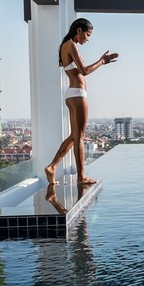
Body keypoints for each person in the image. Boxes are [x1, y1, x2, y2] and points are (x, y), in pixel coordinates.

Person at [44, 18, 118, 185]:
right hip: (77, 94)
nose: (88, 38)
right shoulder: (70, 45)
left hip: (73, 94)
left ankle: (52, 166)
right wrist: (102, 61)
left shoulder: (67, 45)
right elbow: (84, 71)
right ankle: (81, 177)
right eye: (87, 34)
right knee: (80, 137)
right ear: (78, 30)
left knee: (75, 136)